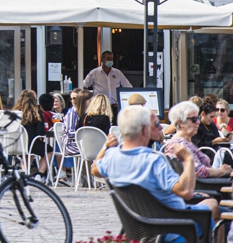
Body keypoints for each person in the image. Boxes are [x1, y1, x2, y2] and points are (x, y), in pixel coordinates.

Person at [92, 104, 223, 243]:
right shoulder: (153, 161)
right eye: (157, 123)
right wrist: (188, 159)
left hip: (144, 228)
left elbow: (94, 169)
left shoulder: (112, 157)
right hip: (177, 228)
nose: (161, 127)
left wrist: (105, 148)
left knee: (212, 205)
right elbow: (185, 192)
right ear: (144, 130)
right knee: (216, 210)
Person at [164, 100, 233, 179]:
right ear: (180, 123)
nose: (198, 122)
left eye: (198, 118)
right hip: (209, 186)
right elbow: (200, 172)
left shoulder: (186, 143)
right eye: (194, 119)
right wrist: (221, 171)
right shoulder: (179, 144)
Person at [83, 51, 131, 117]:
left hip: (114, 107)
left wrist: (121, 101)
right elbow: (84, 86)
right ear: (102, 59)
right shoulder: (94, 73)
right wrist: (90, 100)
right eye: (108, 58)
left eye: (111, 59)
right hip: (99, 107)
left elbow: (128, 87)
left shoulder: (117, 73)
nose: (110, 60)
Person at [15, 89, 49, 175]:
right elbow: (41, 132)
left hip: (16, 145)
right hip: (31, 144)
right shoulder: (36, 113)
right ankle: (40, 174)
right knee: (49, 151)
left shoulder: (15, 113)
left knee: (28, 152)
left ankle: (25, 172)